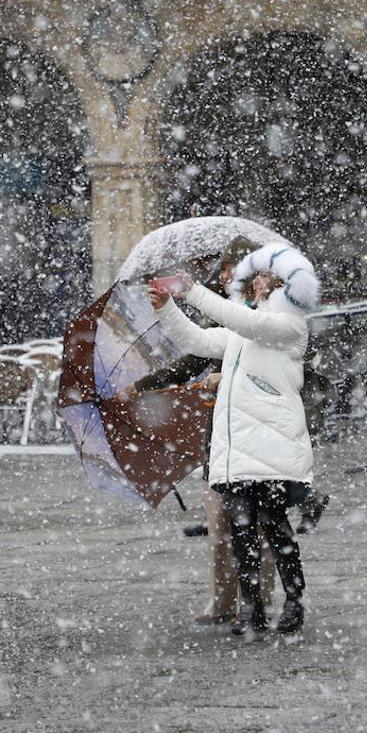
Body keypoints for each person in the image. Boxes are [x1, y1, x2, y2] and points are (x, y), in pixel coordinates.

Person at [150, 243, 319, 637]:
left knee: (274, 526)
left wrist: (190, 290)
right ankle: (251, 606)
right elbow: (197, 340)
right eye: (256, 278)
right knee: (241, 530)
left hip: (274, 446)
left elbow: (245, 323)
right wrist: (165, 308)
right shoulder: (243, 330)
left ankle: (294, 599)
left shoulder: (288, 325)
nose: (256, 283)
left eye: (264, 278)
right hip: (238, 449)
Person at [117, 238, 275, 625]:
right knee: (219, 518)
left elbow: (282, 370)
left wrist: (232, 376)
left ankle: (258, 601)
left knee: (260, 522)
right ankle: (221, 602)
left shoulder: (271, 318)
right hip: (221, 428)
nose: (226, 276)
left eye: (235, 270)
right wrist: (142, 385)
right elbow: (195, 352)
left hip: (259, 429)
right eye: (223, 270)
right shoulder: (222, 318)